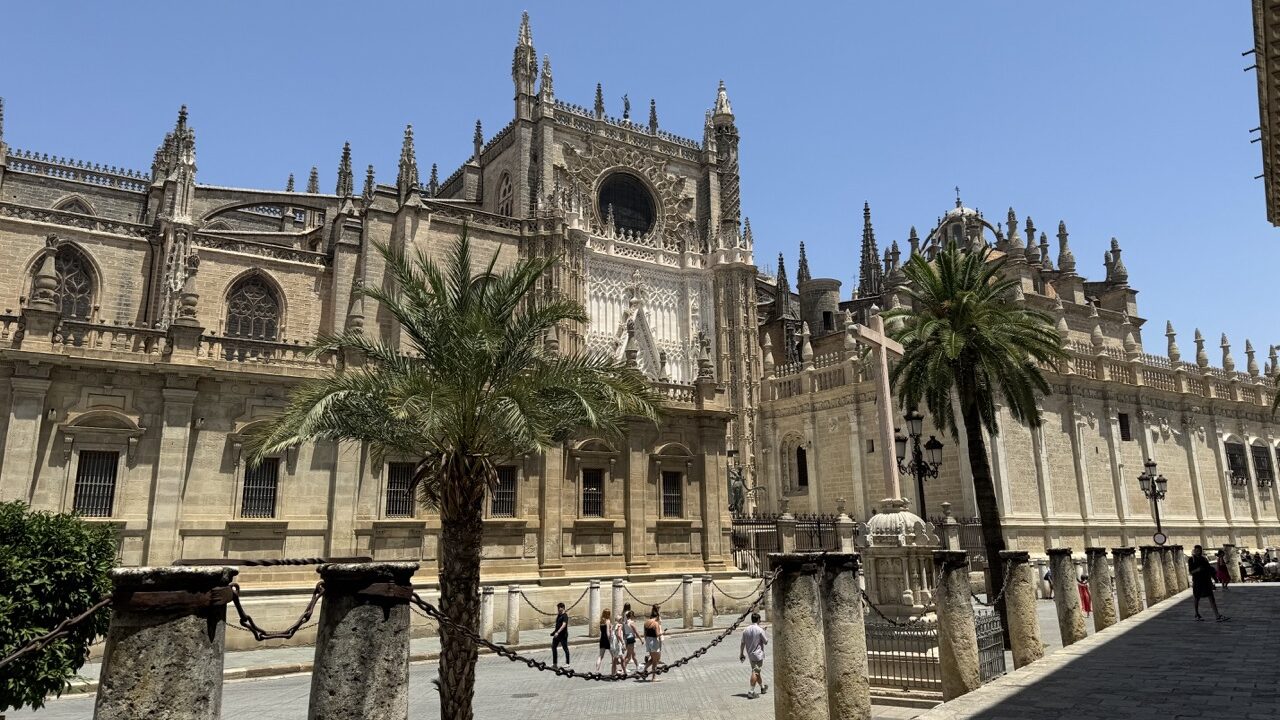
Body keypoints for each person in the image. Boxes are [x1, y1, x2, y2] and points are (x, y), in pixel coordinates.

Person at [1189, 545, 1228, 622]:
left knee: (1211, 598)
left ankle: (1217, 616)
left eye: (1200, 550)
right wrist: (1198, 569)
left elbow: (1209, 569)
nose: (1198, 552)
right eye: (1197, 550)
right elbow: (1191, 572)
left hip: (1206, 581)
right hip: (1197, 582)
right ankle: (1196, 614)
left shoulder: (1204, 559)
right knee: (1197, 598)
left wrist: (1214, 579)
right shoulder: (1191, 560)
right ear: (1194, 551)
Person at [739, 611, 769, 699]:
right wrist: (764, 632)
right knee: (755, 672)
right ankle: (751, 691)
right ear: (758, 619)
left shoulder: (746, 629)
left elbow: (742, 643)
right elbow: (766, 642)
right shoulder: (760, 630)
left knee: (756, 670)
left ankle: (762, 687)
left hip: (750, 654)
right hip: (758, 655)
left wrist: (741, 653)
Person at [641, 604, 664, 682]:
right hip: (654, 642)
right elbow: (657, 634)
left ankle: (644, 670)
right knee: (655, 660)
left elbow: (644, 634)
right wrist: (662, 632)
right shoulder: (656, 623)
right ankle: (653, 677)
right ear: (657, 617)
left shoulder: (646, 622)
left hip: (648, 641)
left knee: (653, 659)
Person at [550, 602, 570, 668]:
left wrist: (558, 632)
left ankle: (567, 663)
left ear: (563, 608)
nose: (558, 609)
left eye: (559, 608)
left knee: (565, 648)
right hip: (557, 635)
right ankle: (555, 663)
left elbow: (564, 625)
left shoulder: (565, 616)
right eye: (558, 608)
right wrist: (554, 632)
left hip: (563, 635)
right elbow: (557, 625)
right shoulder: (559, 615)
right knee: (553, 647)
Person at [594, 608, 614, 673]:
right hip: (607, 639)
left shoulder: (601, 621)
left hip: (602, 639)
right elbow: (607, 632)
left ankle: (597, 670)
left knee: (600, 656)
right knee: (613, 655)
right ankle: (614, 670)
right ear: (608, 614)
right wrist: (610, 639)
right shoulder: (608, 621)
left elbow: (602, 632)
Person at [621, 608, 640, 673]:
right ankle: (624, 668)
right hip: (631, 639)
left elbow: (624, 631)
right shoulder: (631, 622)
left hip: (627, 638)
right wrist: (641, 639)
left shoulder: (625, 622)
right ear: (631, 616)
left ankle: (637, 666)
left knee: (633, 654)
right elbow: (636, 632)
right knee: (628, 656)